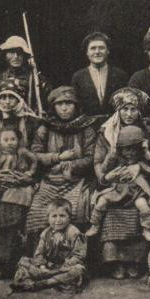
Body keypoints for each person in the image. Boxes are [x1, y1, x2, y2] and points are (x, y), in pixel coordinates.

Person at [91, 87, 150, 279]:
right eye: (124, 109)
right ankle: (116, 263)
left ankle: (134, 262)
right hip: (113, 183)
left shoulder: (148, 132)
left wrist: (140, 166)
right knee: (109, 210)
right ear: (117, 111)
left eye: (133, 109)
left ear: (140, 111)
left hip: (140, 183)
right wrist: (106, 177)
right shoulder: (106, 132)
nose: (129, 114)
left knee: (143, 207)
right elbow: (98, 163)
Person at [26, 86, 97, 253]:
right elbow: (34, 154)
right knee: (36, 213)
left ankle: (74, 256)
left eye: (69, 103)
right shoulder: (45, 128)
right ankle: (42, 256)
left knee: (78, 212)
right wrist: (58, 158)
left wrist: (72, 166)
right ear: (54, 107)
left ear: (76, 105)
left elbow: (92, 156)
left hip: (76, 181)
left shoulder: (86, 128)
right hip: (50, 181)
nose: (64, 108)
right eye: (60, 104)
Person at [0, 78, 40, 279]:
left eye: (11, 97)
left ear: (20, 98)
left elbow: (39, 154)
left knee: (9, 208)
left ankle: (4, 263)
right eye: (2, 97)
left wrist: (29, 176)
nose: (6, 102)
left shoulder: (32, 123)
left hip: (22, 180)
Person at [87, 125, 150, 244]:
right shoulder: (117, 160)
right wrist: (112, 155)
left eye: (134, 149)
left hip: (136, 190)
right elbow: (104, 170)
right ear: (120, 149)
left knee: (143, 205)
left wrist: (143, 160)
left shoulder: (141, 161)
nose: (130, 153)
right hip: (117, 189)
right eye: (126, 149)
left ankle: (147, 228)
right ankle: (95, 224)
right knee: (101, 202)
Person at [9, 198, 86, 293]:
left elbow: (79, 255)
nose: (58, 220)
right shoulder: (45, 233)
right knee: (23, 261)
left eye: (62, 216)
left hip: (64, 268)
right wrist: (42, 266)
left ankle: (44, 284)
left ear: (69, 217)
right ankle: (35, 282)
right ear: (48, 218)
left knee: (78, 270)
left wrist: (65, 266)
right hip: (48, 267)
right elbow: (39, 253)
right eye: (54, 216)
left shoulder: (74, 233)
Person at [70, 32, 129, 120]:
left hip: (115, 124)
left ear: (108, 51)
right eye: (93, 48)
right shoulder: (78, 77)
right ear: (87, 52)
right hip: (87, 127)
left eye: (101, 48)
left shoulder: (120, 75)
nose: (97, 52)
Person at [0, 35, 51, 114]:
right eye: (11, 52)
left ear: (25, 55)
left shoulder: (38, 80)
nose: (15, 57)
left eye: (19, 52)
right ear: (5, 55)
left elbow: (49, 106)